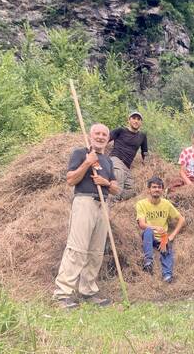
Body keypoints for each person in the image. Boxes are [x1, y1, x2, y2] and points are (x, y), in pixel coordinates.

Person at [54, 123, 120, 309]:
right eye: (97, 134)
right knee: (77, 249)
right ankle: (63, 294)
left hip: (103, 205)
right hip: (84, 202)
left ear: (108, 138)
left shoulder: (108, 161)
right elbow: (70, 180)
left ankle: (88, 291)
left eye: (104, 134)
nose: (100, 137)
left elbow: (115, 189)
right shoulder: (80, 153)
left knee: (96, 252)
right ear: (91, 136)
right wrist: (87, 163)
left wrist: (105, 182)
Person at [136, 177, 186, 283]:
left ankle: (167, 275)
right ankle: (148, 261)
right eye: (154, 187)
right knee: (148, 231)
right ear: (148, 189)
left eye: (159, 187)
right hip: (150, 236)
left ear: (162, 190)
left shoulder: (166, 204)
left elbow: (182, 219)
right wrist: (155, 227)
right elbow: (142, 224)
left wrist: (172, 236)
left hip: (163, 236)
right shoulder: (141, 204)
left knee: (167, 246)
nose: (157, 189)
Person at [108, 111, 148, 203]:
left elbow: (145, 152)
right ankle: (111, 203)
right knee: (119, 176)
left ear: (141, 122)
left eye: (138, 119)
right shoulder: (120, 130)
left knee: (131, 190)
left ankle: (116, 201)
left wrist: (148, 164)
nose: (136, 121)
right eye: (133, 118)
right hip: (116, 159)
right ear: (129, 120)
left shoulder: (142, 136)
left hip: (126, 166)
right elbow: (107, 138)